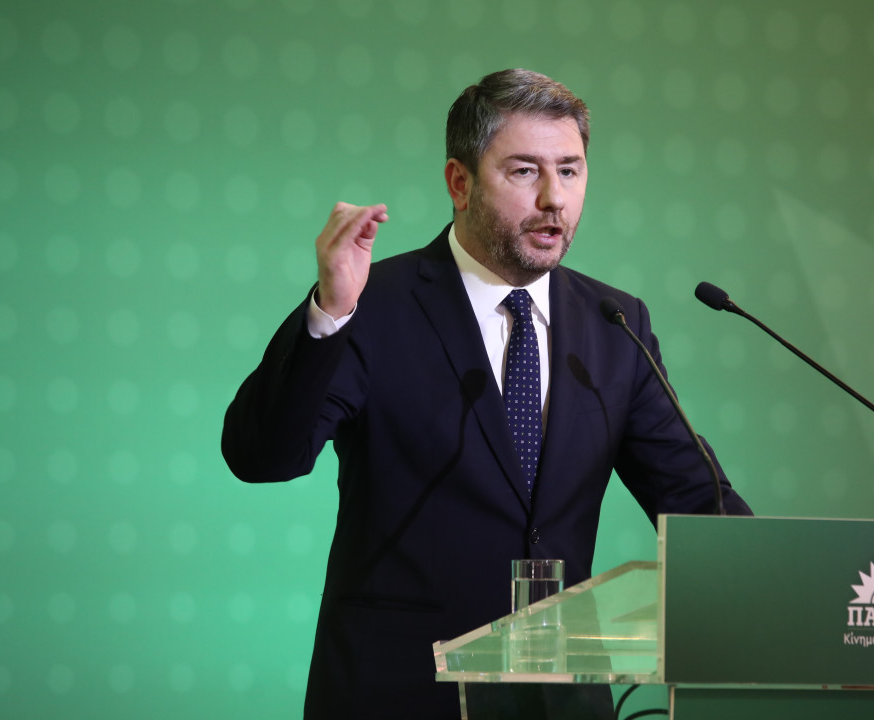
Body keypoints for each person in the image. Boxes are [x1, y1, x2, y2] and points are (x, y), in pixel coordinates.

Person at [222, 68, 752, 719]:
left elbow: (696, 500)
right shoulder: (374, 304)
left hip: (558, 700)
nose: (554, 198)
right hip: (401, 693)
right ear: (459, 182)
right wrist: (330, 311)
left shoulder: (614, 324)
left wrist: (795, 586)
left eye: (570, 170)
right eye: (525, 171)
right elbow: (263, 457)